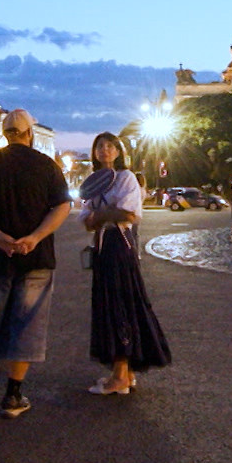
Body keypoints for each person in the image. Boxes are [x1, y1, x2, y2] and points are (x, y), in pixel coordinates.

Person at [0, 108, 71, 418]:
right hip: (35, 257)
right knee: (28, 324)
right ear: (29, 134)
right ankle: (13, 395)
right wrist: (34, 237)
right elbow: (62, 205)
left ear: (4, 133)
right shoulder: (47, 165)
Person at [78, 132, 171, 395]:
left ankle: (119, 375)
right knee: (109, 304)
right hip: (102, 243)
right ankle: (125, 373)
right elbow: (86, 220)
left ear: (118, 151)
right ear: (95, 152)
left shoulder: (126, 178)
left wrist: (100, 215)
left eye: (110, 146)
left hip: (119, 244)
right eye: (100, 146)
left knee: (120, 303)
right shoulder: (92, 182)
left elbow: (129, 213)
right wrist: (104, 215)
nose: (105, 150)